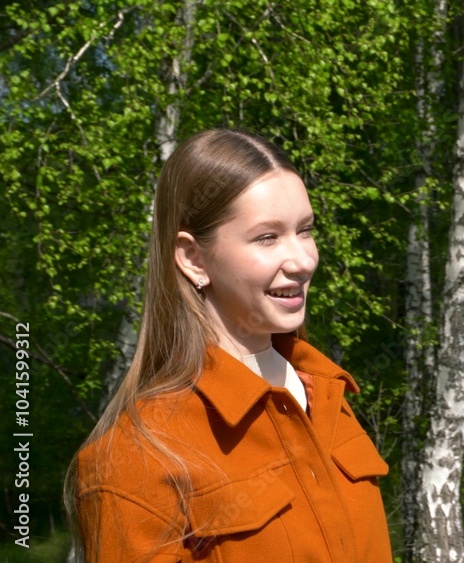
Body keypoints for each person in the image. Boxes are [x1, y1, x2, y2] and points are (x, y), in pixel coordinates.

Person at [65, 129, 392, 561]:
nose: (303, 260)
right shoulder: (138, 455)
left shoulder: (327, 396)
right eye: (267, 237)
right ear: (193, 258)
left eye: (305, 230)